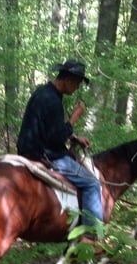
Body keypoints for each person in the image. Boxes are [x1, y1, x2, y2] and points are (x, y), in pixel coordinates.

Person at [16, 59, 103, 241]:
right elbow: (55, 138)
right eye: (77, 83)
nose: (76, 88)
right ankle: (91, 237)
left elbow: (48, 129)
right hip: (45, 154)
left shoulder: (43, 92)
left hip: (28, 148)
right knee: (92, 183)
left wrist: (73, 137)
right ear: (68, 79)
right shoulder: (54, 101)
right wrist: (73, 119)